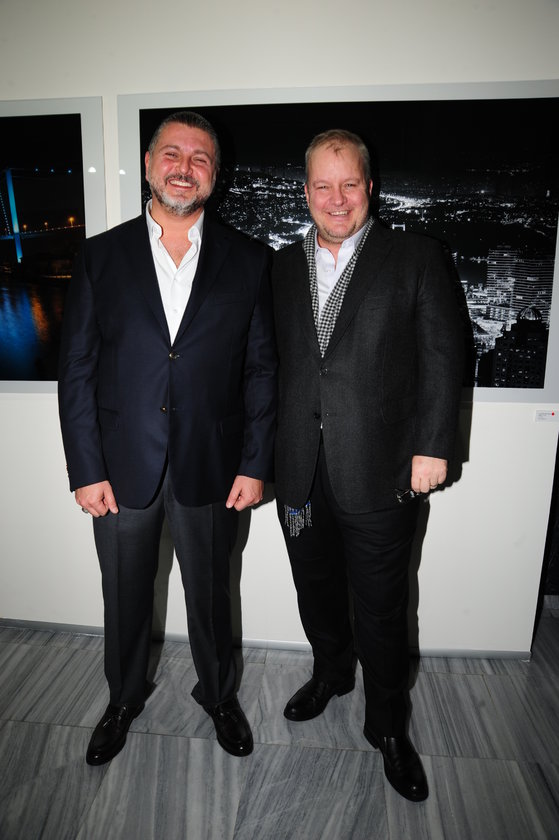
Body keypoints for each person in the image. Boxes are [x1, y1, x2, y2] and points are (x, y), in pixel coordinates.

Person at [58, 110, 277, 765]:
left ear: (215, 174)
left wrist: (255, 463)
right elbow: (78, 369)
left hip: (213, 466)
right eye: (172, 154)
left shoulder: (250, 260)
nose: (185, 167)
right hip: (119, 467)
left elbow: (262, 371)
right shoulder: (101, 256)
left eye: (200, 158)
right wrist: (85, 469)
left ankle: (218, 695)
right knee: (124, 598)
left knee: (211, 597)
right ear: (150, 164)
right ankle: (122, 699)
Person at [271, 129, 463, 802]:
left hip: (382, 472)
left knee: (381, 610)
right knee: (314, 588)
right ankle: (331, 672)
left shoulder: (414, 256)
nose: (336, 198)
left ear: (369, 187)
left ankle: (387, 726)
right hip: (298, 472)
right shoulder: (279, 266)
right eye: (323, 186)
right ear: (306, 192)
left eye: (349, 183)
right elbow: (269, 366)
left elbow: (442, 356)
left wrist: (433, 446)